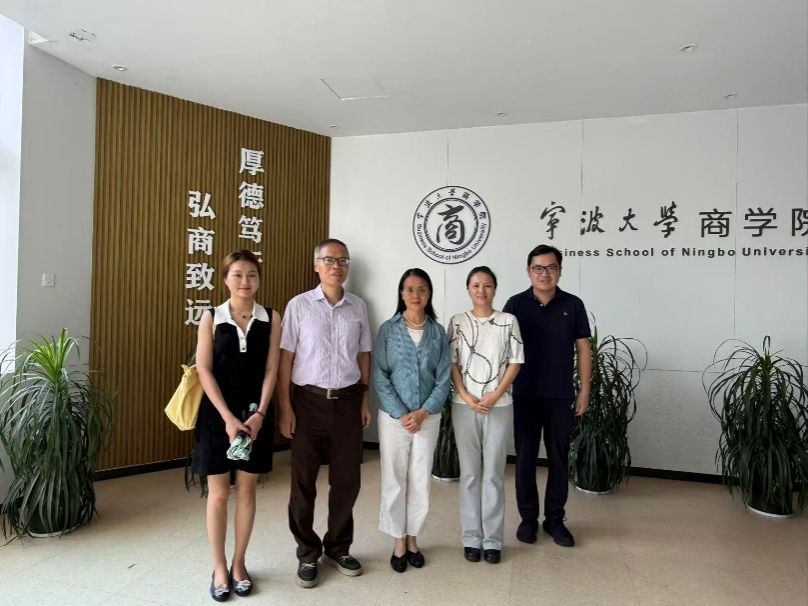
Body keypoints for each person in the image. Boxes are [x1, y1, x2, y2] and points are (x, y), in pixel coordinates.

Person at [278, 238, 372, 588]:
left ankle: (337, 547)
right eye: (329, 260)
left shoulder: (358, 306)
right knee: (303, 481)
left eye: (342, 260)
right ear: (316, 265)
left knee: (347, 480)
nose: (336, 266)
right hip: (307, 402)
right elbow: (286, 359)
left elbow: (364, 355)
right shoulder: (299, 305)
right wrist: (285, 407)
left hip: (348, 402)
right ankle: (307, 551)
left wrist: (364, 400)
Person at [191, 250, 281, 602]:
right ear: (226, 278)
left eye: (252, 275)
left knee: (247, 491)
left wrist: (260, 415)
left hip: (256, 414)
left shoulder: (271, 317)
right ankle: (218, 567)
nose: (245, 281)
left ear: (259, 279)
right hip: (217, 416)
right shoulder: (211, 317)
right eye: (238, 274)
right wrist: (228, 418)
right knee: (218, 494)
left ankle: (239, 563)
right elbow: (203, 369)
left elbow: (272, 368)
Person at [503, 244, 592, 548]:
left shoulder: (573, 305)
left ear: (560, 271)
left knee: (559, 459)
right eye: (538, 268)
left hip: (560, 396)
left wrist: (584, 390)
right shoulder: (515, 305)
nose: (544, 274)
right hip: (525, 394)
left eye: (551, 267)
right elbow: (502, 348)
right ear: (529, 271)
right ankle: (528, 519)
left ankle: (555, 519)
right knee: (525, 458)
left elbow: (583, 349)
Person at [373, 268, 451, 573]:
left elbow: (443, 378)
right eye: (409, 289)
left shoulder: (438, 332)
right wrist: (402, 413)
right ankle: (398, 541)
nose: (415, 295)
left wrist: (423, 412)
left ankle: (413, 539)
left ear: (429, 294)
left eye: (421, 289)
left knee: (420, 479)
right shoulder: (388, 329)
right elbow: (380, 375)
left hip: (427, 418)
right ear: (401, 294)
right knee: (394, 478)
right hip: (394, 418)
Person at [448, 266, 523, 564]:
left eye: (487, 285)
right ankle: (471, 538)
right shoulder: (458, 321)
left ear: (495, 289)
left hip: (499, 405)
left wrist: (495, 394)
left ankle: (492, 540)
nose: (482, 290)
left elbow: (515, 361)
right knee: (469, 475)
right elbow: (452, 362)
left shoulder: (508, 321)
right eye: (476, 285)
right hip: (463, 406)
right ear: (468, 289)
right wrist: (466, 396)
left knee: (493, 474)